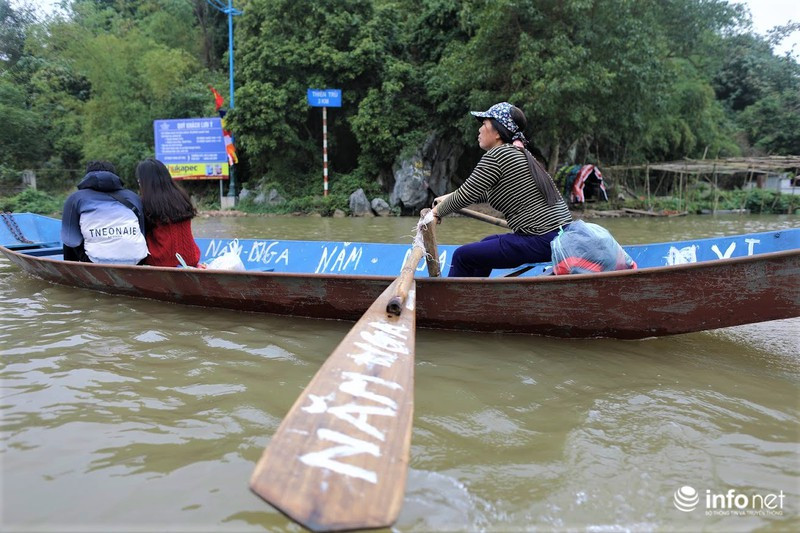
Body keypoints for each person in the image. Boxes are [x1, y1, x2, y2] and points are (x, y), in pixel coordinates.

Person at [431, 102, 572, 277]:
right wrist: (446, 198)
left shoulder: (498, 155)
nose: (480, 130)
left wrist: (436, 213)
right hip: (558, 238)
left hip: (542, 240)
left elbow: (468, 194)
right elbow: (481, 191)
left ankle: (456, 303)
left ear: (497, 132)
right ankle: (475, 298)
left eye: (484, 124)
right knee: (486, 243)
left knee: (462, 256)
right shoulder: (520, 154)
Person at [61, 160, 148, 264]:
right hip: (138, 258)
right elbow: (142, 230)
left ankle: (70, 271)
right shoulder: (132, 196)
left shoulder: (76, 198)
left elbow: (70, 238)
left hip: (95, 260)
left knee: (68, 233)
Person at [136, 158, 201, 267]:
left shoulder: (147, 202)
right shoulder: (181, 196)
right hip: (191, 257)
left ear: (144, 181)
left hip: (164, 260)